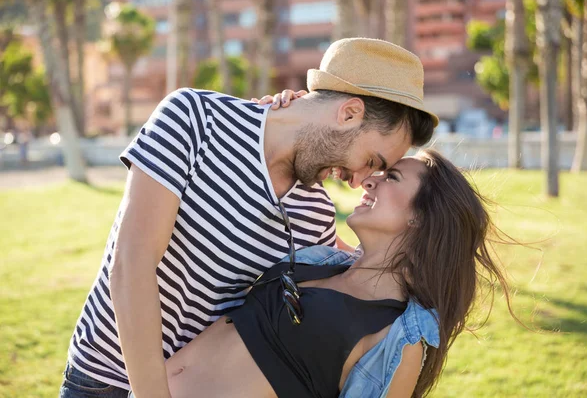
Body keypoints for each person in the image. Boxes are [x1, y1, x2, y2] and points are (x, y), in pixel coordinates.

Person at [60, 38, 437, 398]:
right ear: (349, 112)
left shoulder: (316, 214)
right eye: (371, 161)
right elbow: (131, 265)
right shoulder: (195, 120)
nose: (358, 181)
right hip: (101, 381)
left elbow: (376, 267)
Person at [127, 148, 518, 398]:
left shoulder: (397, 337)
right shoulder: (321, 262)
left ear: (420, 218)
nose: (368, 180)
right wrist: (283, 110)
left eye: (392, 177)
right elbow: (279, 167)